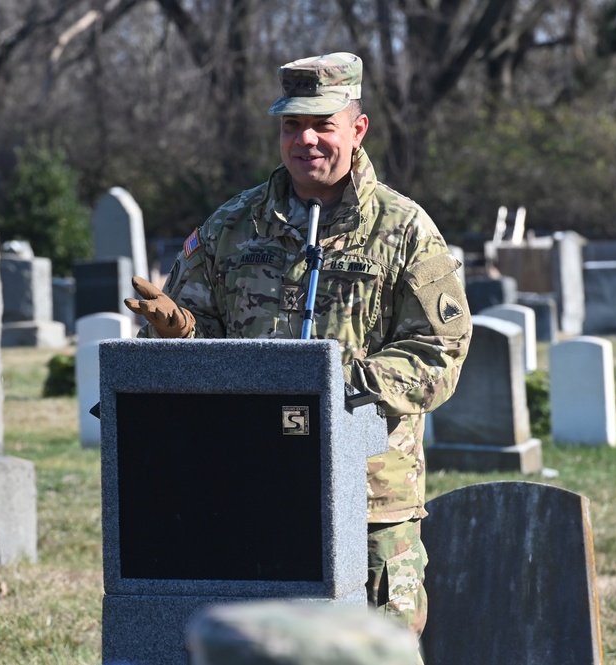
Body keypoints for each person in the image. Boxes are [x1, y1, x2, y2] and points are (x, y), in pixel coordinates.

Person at [124, 52, 471, 646]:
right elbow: (202, 348)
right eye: (291, 126)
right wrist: (179, 334)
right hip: (251, 485)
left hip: (369, 499)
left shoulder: (404, 229)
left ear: (356, 129)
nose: (305, 140)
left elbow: (440, 351)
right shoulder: (233, 227)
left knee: (374, 654)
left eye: (322, 125)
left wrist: (337, 385)